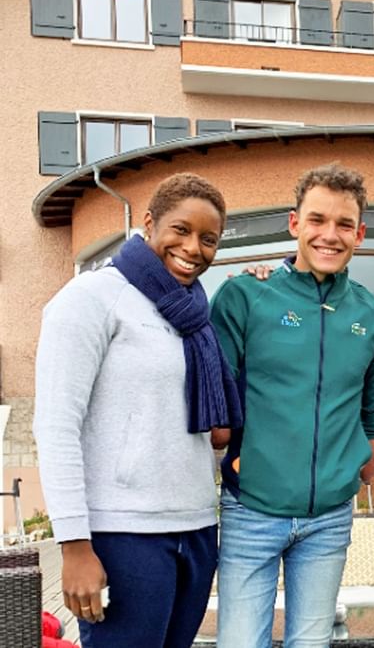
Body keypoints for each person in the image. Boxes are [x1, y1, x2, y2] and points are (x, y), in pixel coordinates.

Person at [33, 173, 243, 648]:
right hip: (123, 534)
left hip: (194, 529)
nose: (193, 248)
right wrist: (74, 545)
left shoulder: (194, 312)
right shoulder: (91, 299)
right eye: (181, 230)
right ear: (149, 223)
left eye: (208, 239)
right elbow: (56, 426)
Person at [210, 163, 374, 648]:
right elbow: (214, 397)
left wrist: (357, 471)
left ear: (360, 233)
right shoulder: (245, 295)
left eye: (343, 225)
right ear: (295, 224)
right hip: (252, 510)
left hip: (329, 520)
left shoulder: (373, 315)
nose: (329, 235)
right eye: (317, 220)